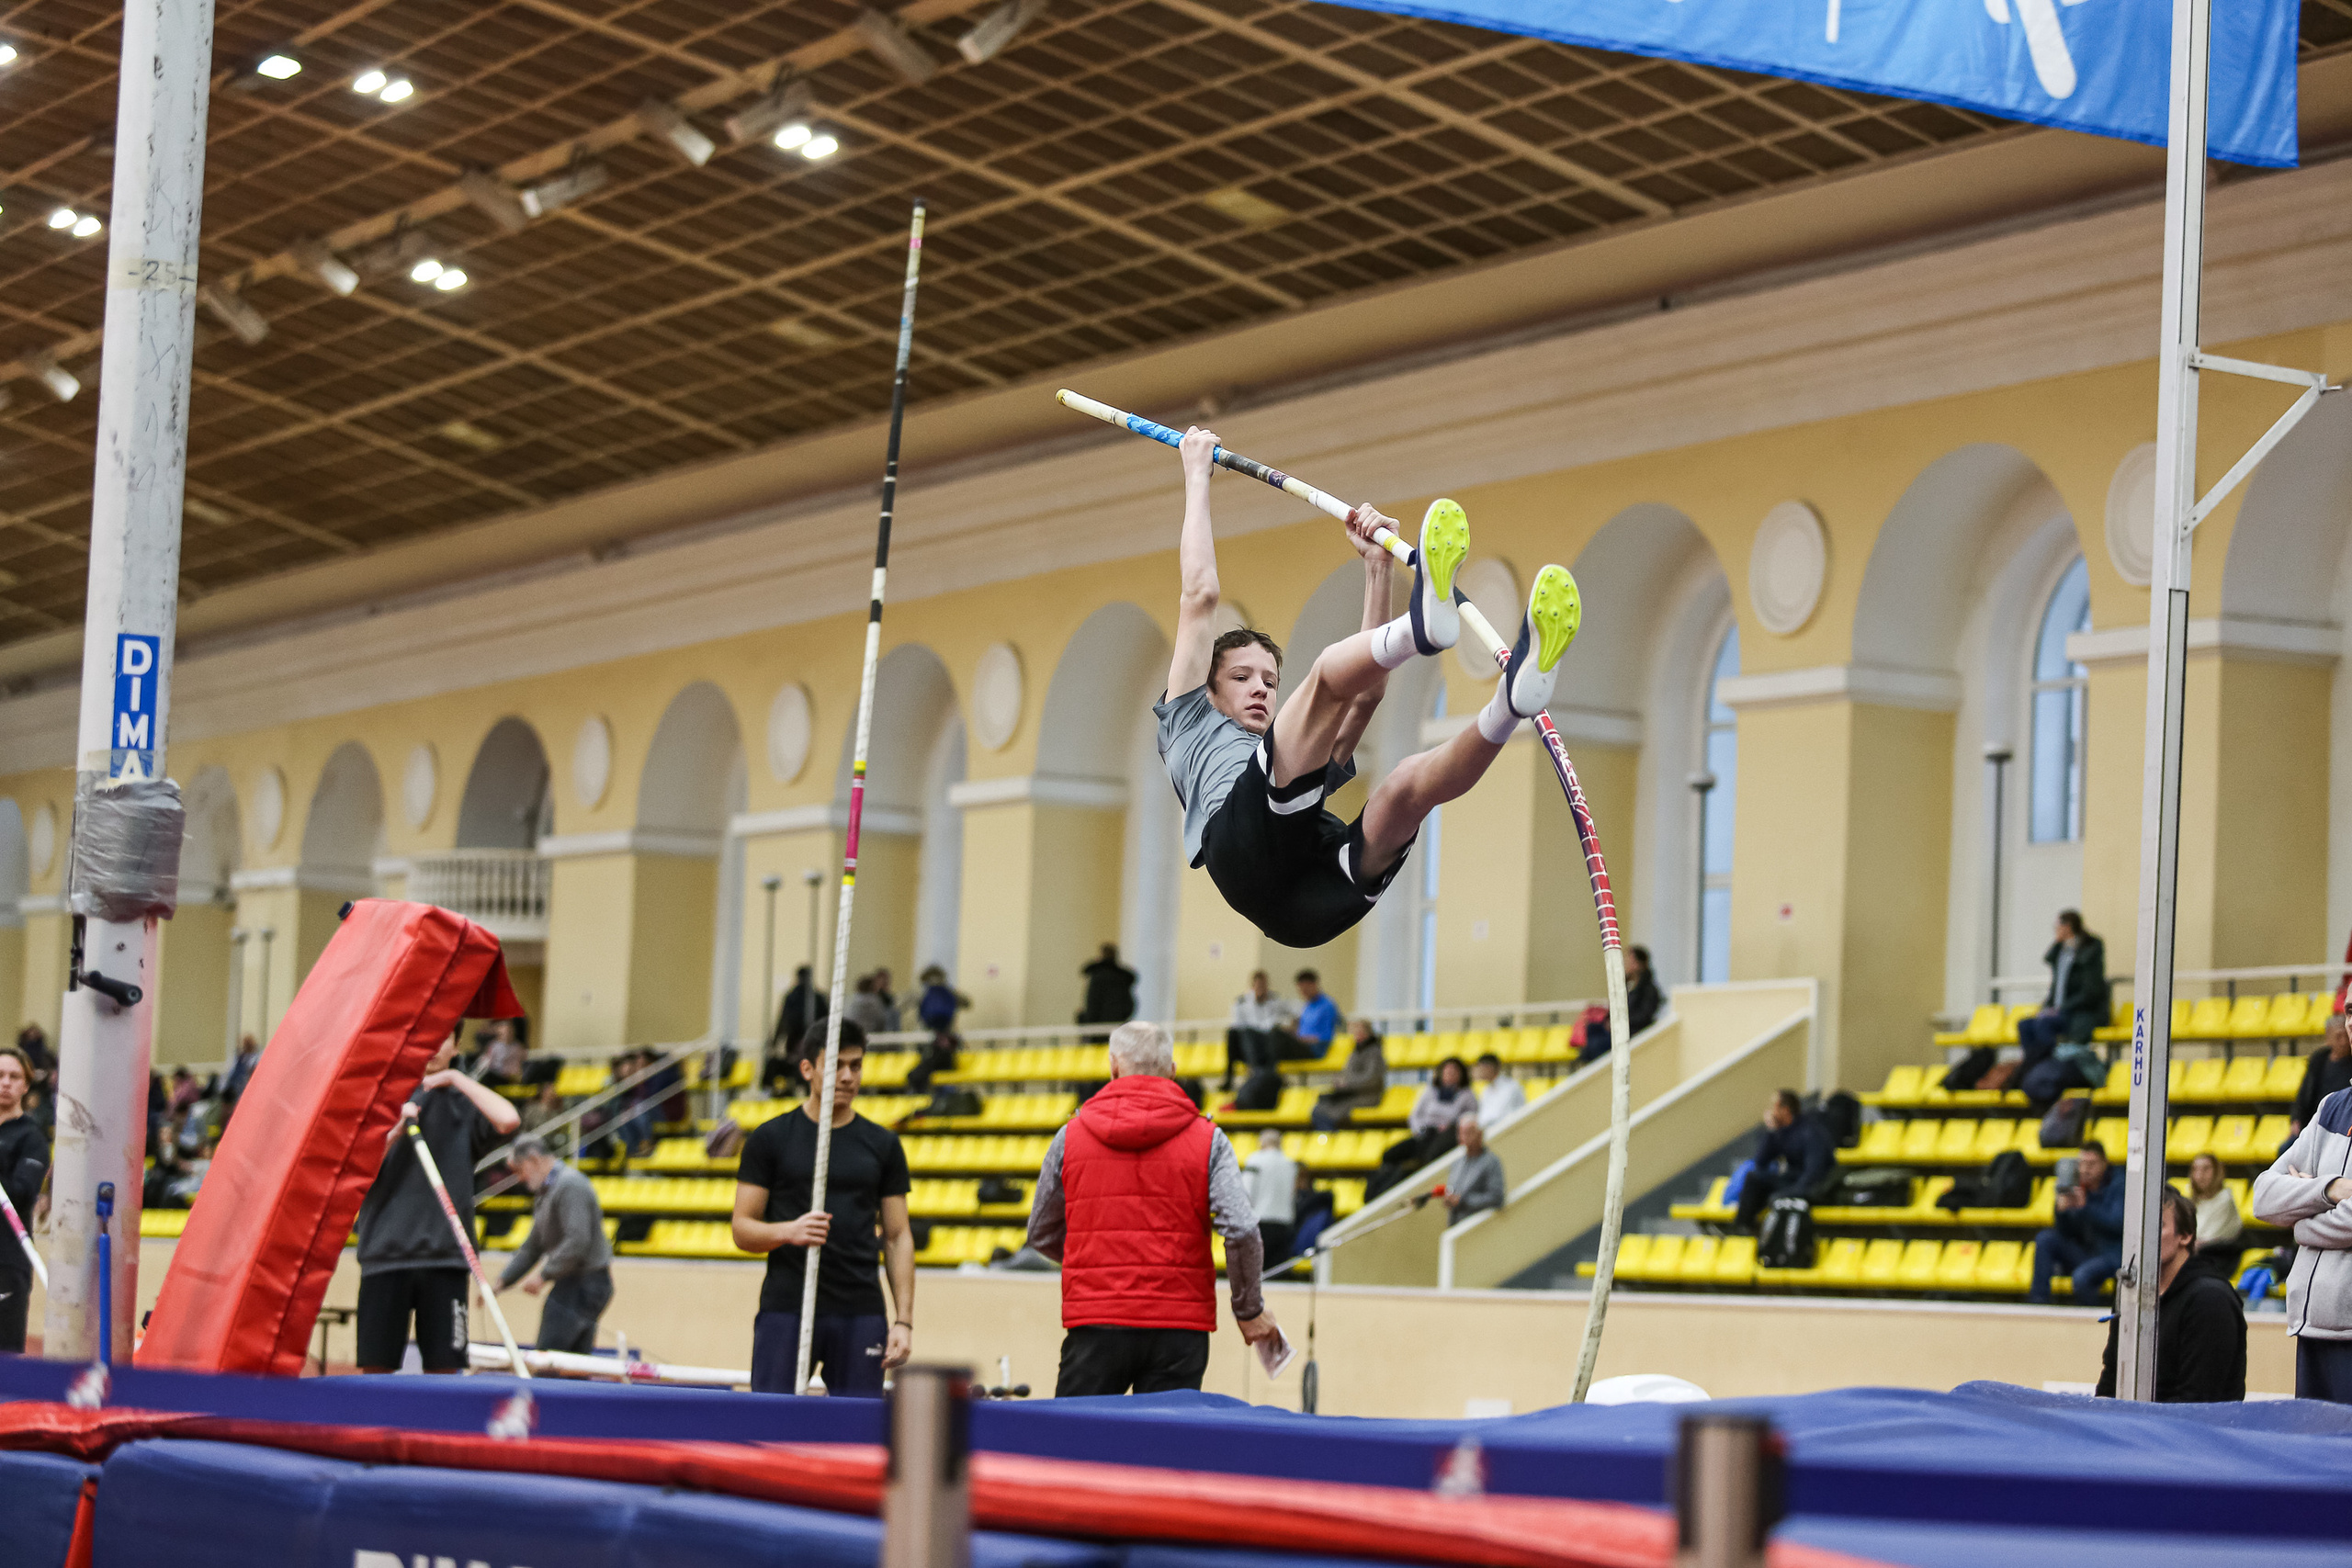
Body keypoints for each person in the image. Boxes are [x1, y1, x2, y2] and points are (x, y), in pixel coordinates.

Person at [1153, 423, 1578, 952]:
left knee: (1406, 787)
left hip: (1311, 906)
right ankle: (1418, 630)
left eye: (1269, 680)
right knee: (1327, 674)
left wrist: (1377, 569)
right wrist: (1197, 472)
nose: (1261, 689)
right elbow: (1200, 594)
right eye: (1242, 678)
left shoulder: (1293, 763)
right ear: (1209, 691)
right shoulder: (1189, 721)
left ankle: (1510, 704)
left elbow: (1366, 696)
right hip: (1242, 857)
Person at [1024, 1021, 1280, 1396]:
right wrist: (1248, 1309)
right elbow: (1241, 1228)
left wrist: (1098, 1265)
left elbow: (1041, 1232)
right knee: (1161, 1452)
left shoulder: (1070, 1136)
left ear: (1113, 1067)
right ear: (1172, 1071)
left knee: (1077, 1451)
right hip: (1180, 1330)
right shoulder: (1210, 1140)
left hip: (1096, 1322)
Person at [732, 1021, 915, 1395]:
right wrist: (788, 1231)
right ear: (807, 1069)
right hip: (788, 1306)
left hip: (860, 1309)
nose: (848, 1076)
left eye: (856, 1065)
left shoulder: (882, 1145)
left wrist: (904, 1321)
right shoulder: (770, 1139)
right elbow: (742, 1228)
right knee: (773, 1426)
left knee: (856, 1436)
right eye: (836, 1065)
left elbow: (897, 1236)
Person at [354, 1033, 523, 1373]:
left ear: (457, 1047)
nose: (431, 1044)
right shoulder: (377, 1098)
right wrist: (395, 1131)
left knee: (445, 1372)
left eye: (443, 1037)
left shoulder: (463, 1103)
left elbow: (509, 1119)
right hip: (385, 1258)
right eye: (425, 1033)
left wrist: (455, 1078)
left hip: (446, 1260)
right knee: (376, 1373)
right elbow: (354, 1169)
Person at [2096, 1186, 2245, 1403]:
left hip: (2191, 1431)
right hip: (2136, 1426)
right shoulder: (2129, 1289)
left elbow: (2198, 1399)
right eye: (2137, 1227)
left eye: (2157, 1226)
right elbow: (2112, 1376)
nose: (2142, 1237)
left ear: (2185, 1236)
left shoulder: (2210, 1299)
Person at [2253, 1083, 2352, 1401]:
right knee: (2314, 1448)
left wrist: (2301, 1224)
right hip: (2311, 1326)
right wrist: (2330, 1189)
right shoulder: (2332, 1106)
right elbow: (2264, 1197)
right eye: (2350, 1027)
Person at [494, 1135, 615, 1354]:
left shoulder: (569, 1185)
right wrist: (502, 1281)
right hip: (576, 1281)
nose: (519, 1178)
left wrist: (544, 1275)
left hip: (584, 1282)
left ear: (533, 1159)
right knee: (572, 1363)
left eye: (519, 1170)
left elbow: (578, 1240)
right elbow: (532, 1247)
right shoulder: (548, 1190)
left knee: (549, 1357)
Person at [2030, 1139, 2124, 1304]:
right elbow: (2066, 1232)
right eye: (2082, 1164)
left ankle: (2091, 1321)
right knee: (2045, 1239)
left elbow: (2117, 1223)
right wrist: (2062, 1212)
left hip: (2112, 1254)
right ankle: (2038, 1302)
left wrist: (2085, 1208)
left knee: (2082, 1277)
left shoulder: (2120, 1184)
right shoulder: (2075, 1185)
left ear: (2104, 1163)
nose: (2085, 1169)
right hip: (2086, 1251)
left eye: (2091, 1164)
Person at [0, 1047, 51, 1354]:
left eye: (14, 1076)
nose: (5, 1082)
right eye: (0, 1075)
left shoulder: (31, 1138)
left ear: (25, 1085)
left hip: (6, 1260)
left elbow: (21, 1190)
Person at [2018, 911, 2107, 1076]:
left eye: (2058, 927)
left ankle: (2047, 1067)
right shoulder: (2060, 952)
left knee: (2044, 1025)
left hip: (2078, 1012)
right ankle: (2032, 1067)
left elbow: (2090, 992)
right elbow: (2056, 987)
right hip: (2059, 1011)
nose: (2055, 931)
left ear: (2068, 927)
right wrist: (2047, 1007)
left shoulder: (2090, 950)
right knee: (2025, 1025)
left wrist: (2061, 1008)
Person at [1734, 1090, 1835, 1232]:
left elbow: (1815, 1172)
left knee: (1776, 1197)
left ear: (1785, 1110)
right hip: (1791, 1180)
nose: (1771, 1112)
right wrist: (1771, 1131)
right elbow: (1761, 1162)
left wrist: (1792, 1192)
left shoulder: (1810, 1131)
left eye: (1774, 1108)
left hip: (1811, 1185)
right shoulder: (1782, 1132)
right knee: (1753, 1178)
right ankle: (1742, 1231)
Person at [1312, 1019, 1386, 1131]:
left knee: (1327, 1112)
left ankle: (1332, 1139)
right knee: (1319, 1108)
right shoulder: (1356, 1051)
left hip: (1366, 1096)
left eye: (1359, 1030)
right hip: (1351, 1093)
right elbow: (1347, 1073)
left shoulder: (1374, 1051)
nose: (1356, 1033)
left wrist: (1347, 1083)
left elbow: (1371, 1079)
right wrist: (1340, 1081)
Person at [1224, 970, 1292, 1089]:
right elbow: (1238, 1025)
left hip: (1267, 1043)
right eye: (1259, 985)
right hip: (1247, 1046)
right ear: (1253, 986)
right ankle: (1231, 1078)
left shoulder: (1275, 1000)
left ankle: (1262, 1075)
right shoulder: (1242, 1002)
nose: (1262, 988)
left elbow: (1293, 1012)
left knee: (1273, 1035)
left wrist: (1291, 1025)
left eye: (1264, 985)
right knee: (1235, 1034)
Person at [1242, 1129, 1300, 1267]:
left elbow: (1246, 1190)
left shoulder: (1255, 1160)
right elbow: (1293, 1193)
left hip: (1260, 1220)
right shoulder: (1290, 1164)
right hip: (1284, 1222)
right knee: (1277, 1270)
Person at [2290, 1010, 2351, 1139]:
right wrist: (2296, 1119)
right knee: (2285, 1148)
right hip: (2312, 1124)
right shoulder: (2318, 1060)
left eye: (2347, 1036)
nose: (2344, 1041)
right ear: (2328, 1037)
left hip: (2340, 1127)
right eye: (2339, 1036)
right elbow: (2303, 1096)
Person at [2185, 1153, 2243, 1268]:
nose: (2200, 1175)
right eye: (2196, 1169)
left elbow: (2210, 1238)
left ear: (2217, 1171)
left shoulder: (2225, 1199)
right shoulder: (2192, 1202)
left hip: (2218, 1257)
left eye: (2206, 1169)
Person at [1446, 1113, 1504, 1225]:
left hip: (1479, 1226)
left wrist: (1464, 1201)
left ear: (1480, 1134)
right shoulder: (1457, 1164)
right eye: (1462, 1133)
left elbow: (1497, 1198)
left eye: (1469, 1133)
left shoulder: (1491, 1162)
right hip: (1456, 1224)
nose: (1465, 1137)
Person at [1273, 970, 1340, 1063]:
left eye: (1305, 989)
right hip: (1303, 1045)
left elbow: (1326, 1037)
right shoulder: (1307, 1006)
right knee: (1272, 1035)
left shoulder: (1327, 1005)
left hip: (1316, 1049)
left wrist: (1302, 1039)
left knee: (1277, 1038)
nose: (1303, 993)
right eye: (1300, 990)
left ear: (1313, 985)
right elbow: (1300, 1031)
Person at [1408, 1057, 1480, 1142]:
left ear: (1461, 1074)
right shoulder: (1430, 1091)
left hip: (1449, 1136)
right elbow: (1415, 1115)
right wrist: (1420, 1130)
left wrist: (1452, 1126)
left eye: (1453, 1072)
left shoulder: (1467, 1095)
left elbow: (1471, 1118)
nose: (1450, 1075)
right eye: (1447, 1072)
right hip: (1426, 1133)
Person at [1079, 943, 1138, 1028]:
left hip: (1097, 1027)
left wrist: (1088, 1021)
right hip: (1118, 1023)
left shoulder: (1098, 976)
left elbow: (1093, 1002)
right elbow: (1128, 1005)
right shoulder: (1123, 977)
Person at [1473, 1052, 1524, 1128]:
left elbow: (1503, 1116)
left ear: (1490, 1067)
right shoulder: (1486, 1090)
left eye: (1482, 1068)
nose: (1480, 1071)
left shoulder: (1511, 1087)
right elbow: (1483, 1117)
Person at [915, 966, 968, 1034]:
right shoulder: (949, 992)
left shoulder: (923, 994)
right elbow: (967, 1004)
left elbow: (966, 1003)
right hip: (943, 1032)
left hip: (935, 1031)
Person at [1624, 945, 1662, 1036]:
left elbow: (1644, 1016)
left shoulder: (1649, 990)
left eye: (1630, 961)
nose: (1626, 964)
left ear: (1638, 964)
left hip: (1636, 1032)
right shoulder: (1627, 985)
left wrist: (1623, 1022)